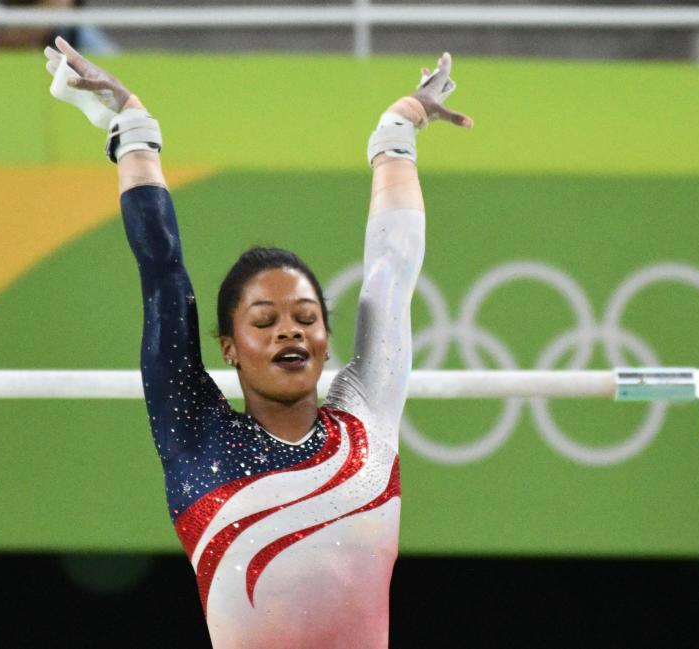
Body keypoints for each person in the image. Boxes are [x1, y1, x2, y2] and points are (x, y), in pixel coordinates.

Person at [43, 37, 472, 648]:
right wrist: (132, 125)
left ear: (326, 341)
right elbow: (162, 273)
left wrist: (399, 130)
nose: (290, 330)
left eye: (305, 317)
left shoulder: (366, 421)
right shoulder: (195, 433)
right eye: (265, 321)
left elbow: (391, 275)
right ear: (230, 347)